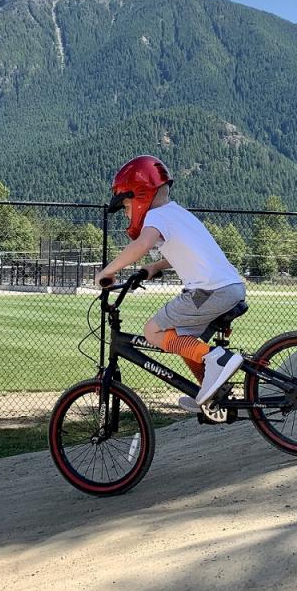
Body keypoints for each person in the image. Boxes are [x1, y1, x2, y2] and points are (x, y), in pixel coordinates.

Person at [96, 155, 246, 410]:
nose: (127, 213)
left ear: (140, 194)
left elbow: (141, 245)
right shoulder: (178, 213)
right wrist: (154, 267)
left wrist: (106, 272)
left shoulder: (156, 216)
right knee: (182, 339)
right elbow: (189, 250)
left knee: (152, 331)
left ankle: (216, 358)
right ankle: (210, 396)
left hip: (209, 291)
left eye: (126, 206)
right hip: (229, 287)